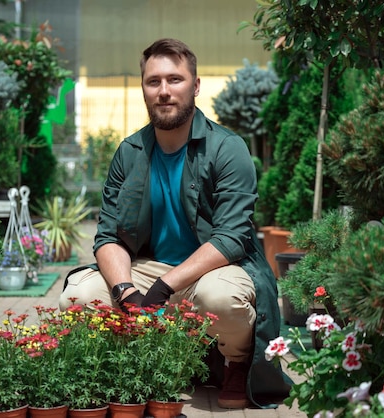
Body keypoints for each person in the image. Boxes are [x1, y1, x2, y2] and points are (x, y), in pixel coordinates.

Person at [58, 38, 290, 409]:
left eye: (175, 79)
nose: (164, 91)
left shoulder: (227, 148)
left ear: (195, 86)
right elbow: (107, 237)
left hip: (217, 267)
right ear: (144, 89)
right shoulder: (129, 152)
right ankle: (132, 364)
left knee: (221, 299)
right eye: (154, 82)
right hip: (150, 266)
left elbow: (231, 239)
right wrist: (124, 290)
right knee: (77, 295)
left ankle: (236, 361)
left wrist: (164, 287)